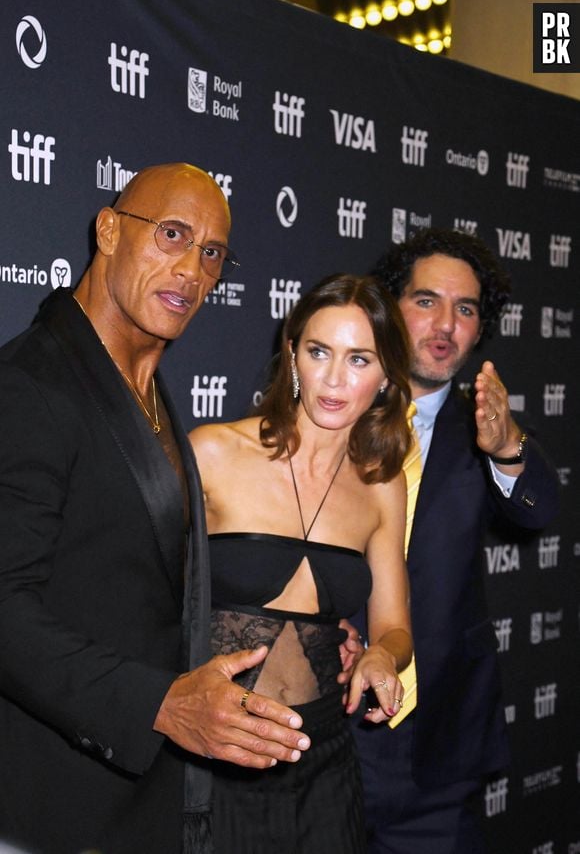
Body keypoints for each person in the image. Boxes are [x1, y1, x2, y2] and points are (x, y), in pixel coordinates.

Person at [0, 163, 316, 854]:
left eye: (211, 253)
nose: (191, 269)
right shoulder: (28, 386)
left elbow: (141, 575)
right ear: (109, 229)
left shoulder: (146, 389)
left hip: (142, 797)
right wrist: (159, 703)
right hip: (51, 800)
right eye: (171, 234)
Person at [189, 273, 414, 854]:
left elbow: (394, 626)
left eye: (359, 359)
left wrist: (382, 657)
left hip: (325, 760)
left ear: (387, 375)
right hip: (218, 748)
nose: (335, 379)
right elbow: (136, 596)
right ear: (292, 356)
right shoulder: (212, 453)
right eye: (319, 352)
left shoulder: (381, 486)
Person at [352, 228, 559, 853]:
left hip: (440, 743)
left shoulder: (486, 427)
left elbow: (537, 509)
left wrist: (508, 449)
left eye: (465, 309)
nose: (445, 324)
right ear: (390, 308)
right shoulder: (335, 409)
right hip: (330, 735)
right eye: (426, 301)